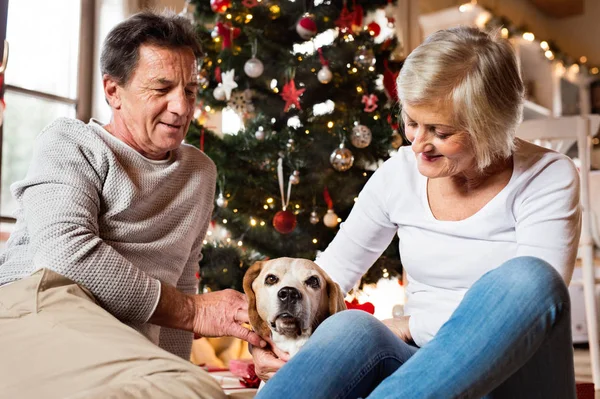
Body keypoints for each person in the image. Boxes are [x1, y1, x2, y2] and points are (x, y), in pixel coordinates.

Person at [252, 26, 581, 398]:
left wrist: (410, 325)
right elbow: (329, 276)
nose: (418, 144)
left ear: (490, 126)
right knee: (352, 327)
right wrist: (264, 333)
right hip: (418, 374)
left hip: (517, 375)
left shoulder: (548, 176)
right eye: (411, 122)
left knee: (528, 278)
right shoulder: (400, 172)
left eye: (440, 131)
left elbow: (527, 311)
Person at [0, 10, 265, 399]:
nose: (181, 107)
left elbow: (183, 280)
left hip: (115, 341)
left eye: (190, 91)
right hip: (35, 304)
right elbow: (65, 255)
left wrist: (176, 366)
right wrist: (194, 312)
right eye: (161, 89)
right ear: (112, 90)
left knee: (191, 390)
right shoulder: (70, 142)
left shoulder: (199, 171)